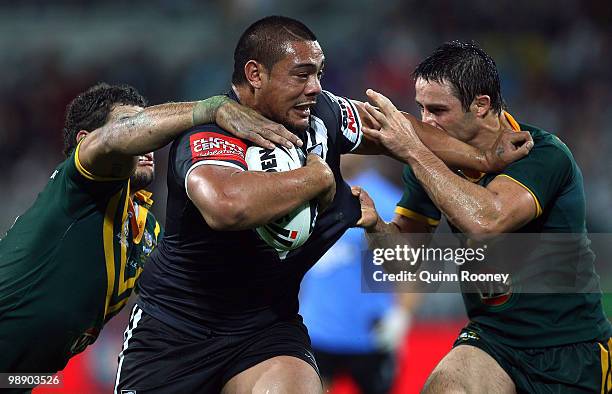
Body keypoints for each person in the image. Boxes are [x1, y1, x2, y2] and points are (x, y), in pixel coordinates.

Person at [114, 18, 531, 394]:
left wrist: (480, 157)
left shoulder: (322, 114)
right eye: (301, 74)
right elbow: (227, 206)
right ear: (255, 75)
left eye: (319, 73)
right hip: (175, 332)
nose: (315, 86)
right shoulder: (209, 135)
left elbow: (396, 131)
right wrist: (316, 178)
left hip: (267, 328)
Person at [355, 41, 612, 393]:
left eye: (438, 110)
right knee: (445, 387)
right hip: (492, 337)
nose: (425, 122)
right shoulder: (428, 164)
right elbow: (405, 265)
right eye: (421, 109)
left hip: (569, 346)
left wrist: (413, 151)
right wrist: (375, 227)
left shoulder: (542, 154)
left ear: (480, 105)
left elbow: (486, 220)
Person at [0, 82, 297, 381]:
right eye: (133, 126)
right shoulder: (75, 189)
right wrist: (212, 108)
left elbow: (188, 290)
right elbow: (110, 142)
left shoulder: (146, 229)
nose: (150, 144)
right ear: (85, 141)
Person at [300, 155, 418, 394]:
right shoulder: (308, 195)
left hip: (370, 334)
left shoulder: (385, 200)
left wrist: (401, 315)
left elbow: (410, 267)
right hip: (316, 330)